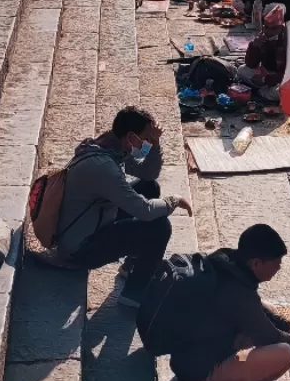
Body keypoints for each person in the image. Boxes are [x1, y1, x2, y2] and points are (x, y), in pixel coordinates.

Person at [55, 107, 192, 304]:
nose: (146, 142)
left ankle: (132, 266)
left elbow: (148, 174)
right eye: (145, 138)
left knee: (148, 187)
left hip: (95, 219)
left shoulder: (109, 146)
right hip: (80, 249)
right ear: (131, 137)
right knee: (159, 227)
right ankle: (134, 294)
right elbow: (144, 210)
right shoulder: (103, 167)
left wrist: (155, 144)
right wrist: (174, 200)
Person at [168, 224, 290, 381]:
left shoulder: (225, 263)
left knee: (265, 309)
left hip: (189, 359)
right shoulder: (236, 294)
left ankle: (234, 373)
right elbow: (271, 337)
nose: (279, 268)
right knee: (285, 353)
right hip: (201, 379)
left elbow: (257, 311)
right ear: (256, 263)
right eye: (276, 264)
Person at [236, 4, 287, 99]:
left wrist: (265, 80)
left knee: (279, 92)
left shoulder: (287, 42)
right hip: (265, 73)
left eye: (274, 29)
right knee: (242, 70)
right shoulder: (263, 36)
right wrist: (254, 46)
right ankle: (263, 91)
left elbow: (287, 72)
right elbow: (250, 64)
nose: (269, 31)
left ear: (282, 28)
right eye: (267, 27)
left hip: (279, 78)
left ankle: (261, 91)